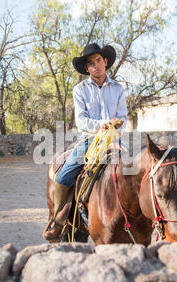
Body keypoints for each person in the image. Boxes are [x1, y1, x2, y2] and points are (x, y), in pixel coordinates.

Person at [43, 43, 128, 241]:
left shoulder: (118, 89)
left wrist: (114, 131)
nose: (96, 66)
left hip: (114, 140)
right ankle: (58, 219)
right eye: (91, 63)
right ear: (87, 68)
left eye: (98, 60)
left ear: (105, 62)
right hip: (89, 139)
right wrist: (102, 126)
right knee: (64, 176)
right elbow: (81, 120)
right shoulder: (79, 89)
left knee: (135, 172)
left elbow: (123, 116)